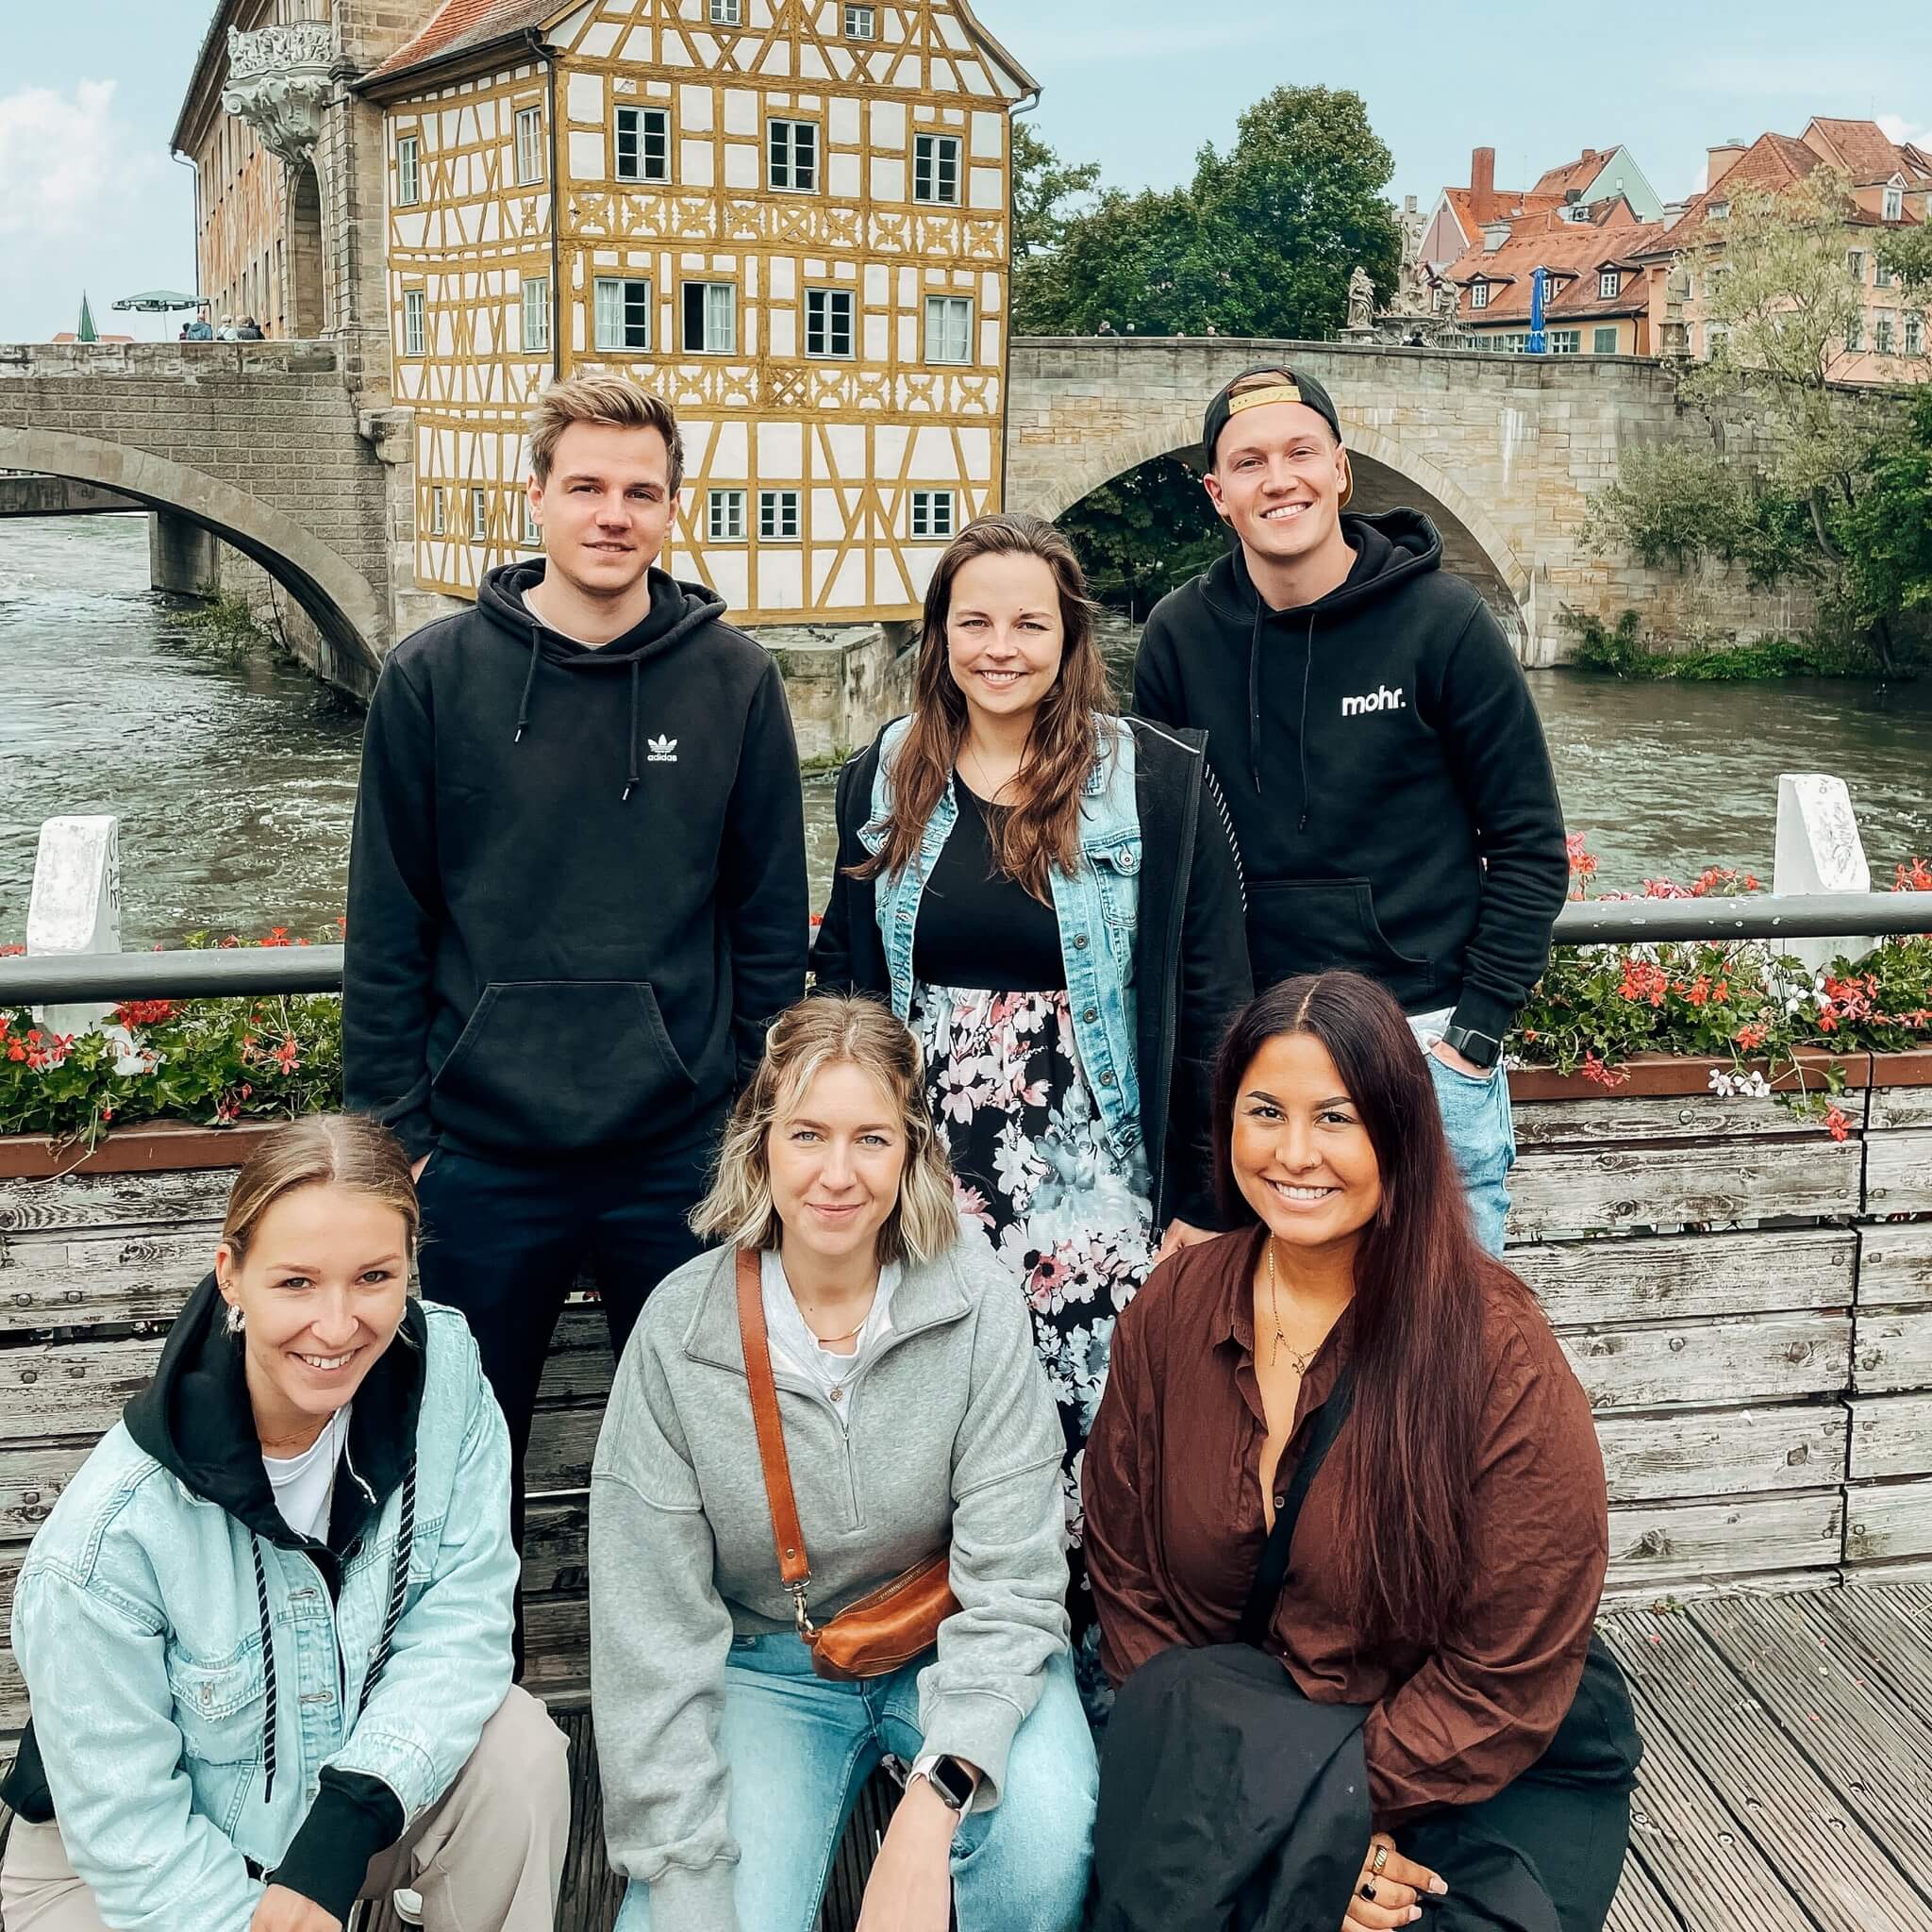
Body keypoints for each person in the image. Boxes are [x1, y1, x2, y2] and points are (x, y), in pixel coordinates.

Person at [344, 374, 808, 1580]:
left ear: (672, 510)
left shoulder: (733, 682)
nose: (613, 513)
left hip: (676, 1151)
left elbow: (766, 925)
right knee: (457, 1468)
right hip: (481, 1157)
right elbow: (389, 922)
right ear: (537, 496)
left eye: (640, 492)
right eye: (587, 486)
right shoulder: (432, 678)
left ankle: (699, 1683)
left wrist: (750, 1117)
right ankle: (469, 1689)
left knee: (704, 1458)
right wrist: (398, 1136)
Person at [1083, 973, 1639, 1932]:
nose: (1295, 1153)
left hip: (1467, 1763)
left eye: (1335, 1117)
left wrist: (1321, 1819)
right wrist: (1277, 1815)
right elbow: (1129, 1587)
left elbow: (1504, 1670)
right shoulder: (1171, 1309)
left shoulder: (1495, 1349)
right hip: (1241, 1741)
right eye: (1265, 1111)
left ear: (1399, 1130)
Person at [810, 510, 1251, 1707]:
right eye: (973, 622)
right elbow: (849, 977)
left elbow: (1213, 992)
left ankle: (1107, 1673)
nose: (998, 647)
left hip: (1090, 1167)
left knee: (1102, 1418)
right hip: (929, 1161)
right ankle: (967, 1658)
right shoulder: (884, 771)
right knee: (944, 1407)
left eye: (1027, 623)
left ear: (1068, 638)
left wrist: (1204, 1197)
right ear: (937, 636)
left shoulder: (1154, 778)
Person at [591, 995, 1095, 1932]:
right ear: (760, 1145)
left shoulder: (975, 1303)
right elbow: (648, 1635)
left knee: (1039, 1847)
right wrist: (687, 1880)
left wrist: (934, 1800)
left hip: (951, 1637)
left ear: (909, 1151)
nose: (836, 1174)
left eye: (870, 1138)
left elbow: (1016, 1583)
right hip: (763, 1667)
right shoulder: (679, 1332)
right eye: (807, 1135)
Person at [0, 1114, 569, 1932]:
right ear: (231, 1276)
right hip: (132, 1878)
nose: (336, 1326)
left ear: (410, 1265)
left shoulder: (446, 1375)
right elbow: (131, 1838)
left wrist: (347, 1823)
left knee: (518, 1752)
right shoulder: (107, 1538)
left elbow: (463, 1618)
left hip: (340, 1817)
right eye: (296, 1282)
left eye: (373, 1277)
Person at [1133, 366, 1570, 1254]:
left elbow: (1528, 844)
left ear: (1340, 470)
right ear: (1218, 495)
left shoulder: (1445, 624)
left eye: (1300, 453)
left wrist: (1475, 1034)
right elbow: (1164, 869)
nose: (1278, 480)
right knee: (1266, 1331)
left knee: (1440, 1329)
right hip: (1255, 1047)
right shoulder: (1178, 638)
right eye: (1249, 463)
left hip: (1420, 1035)